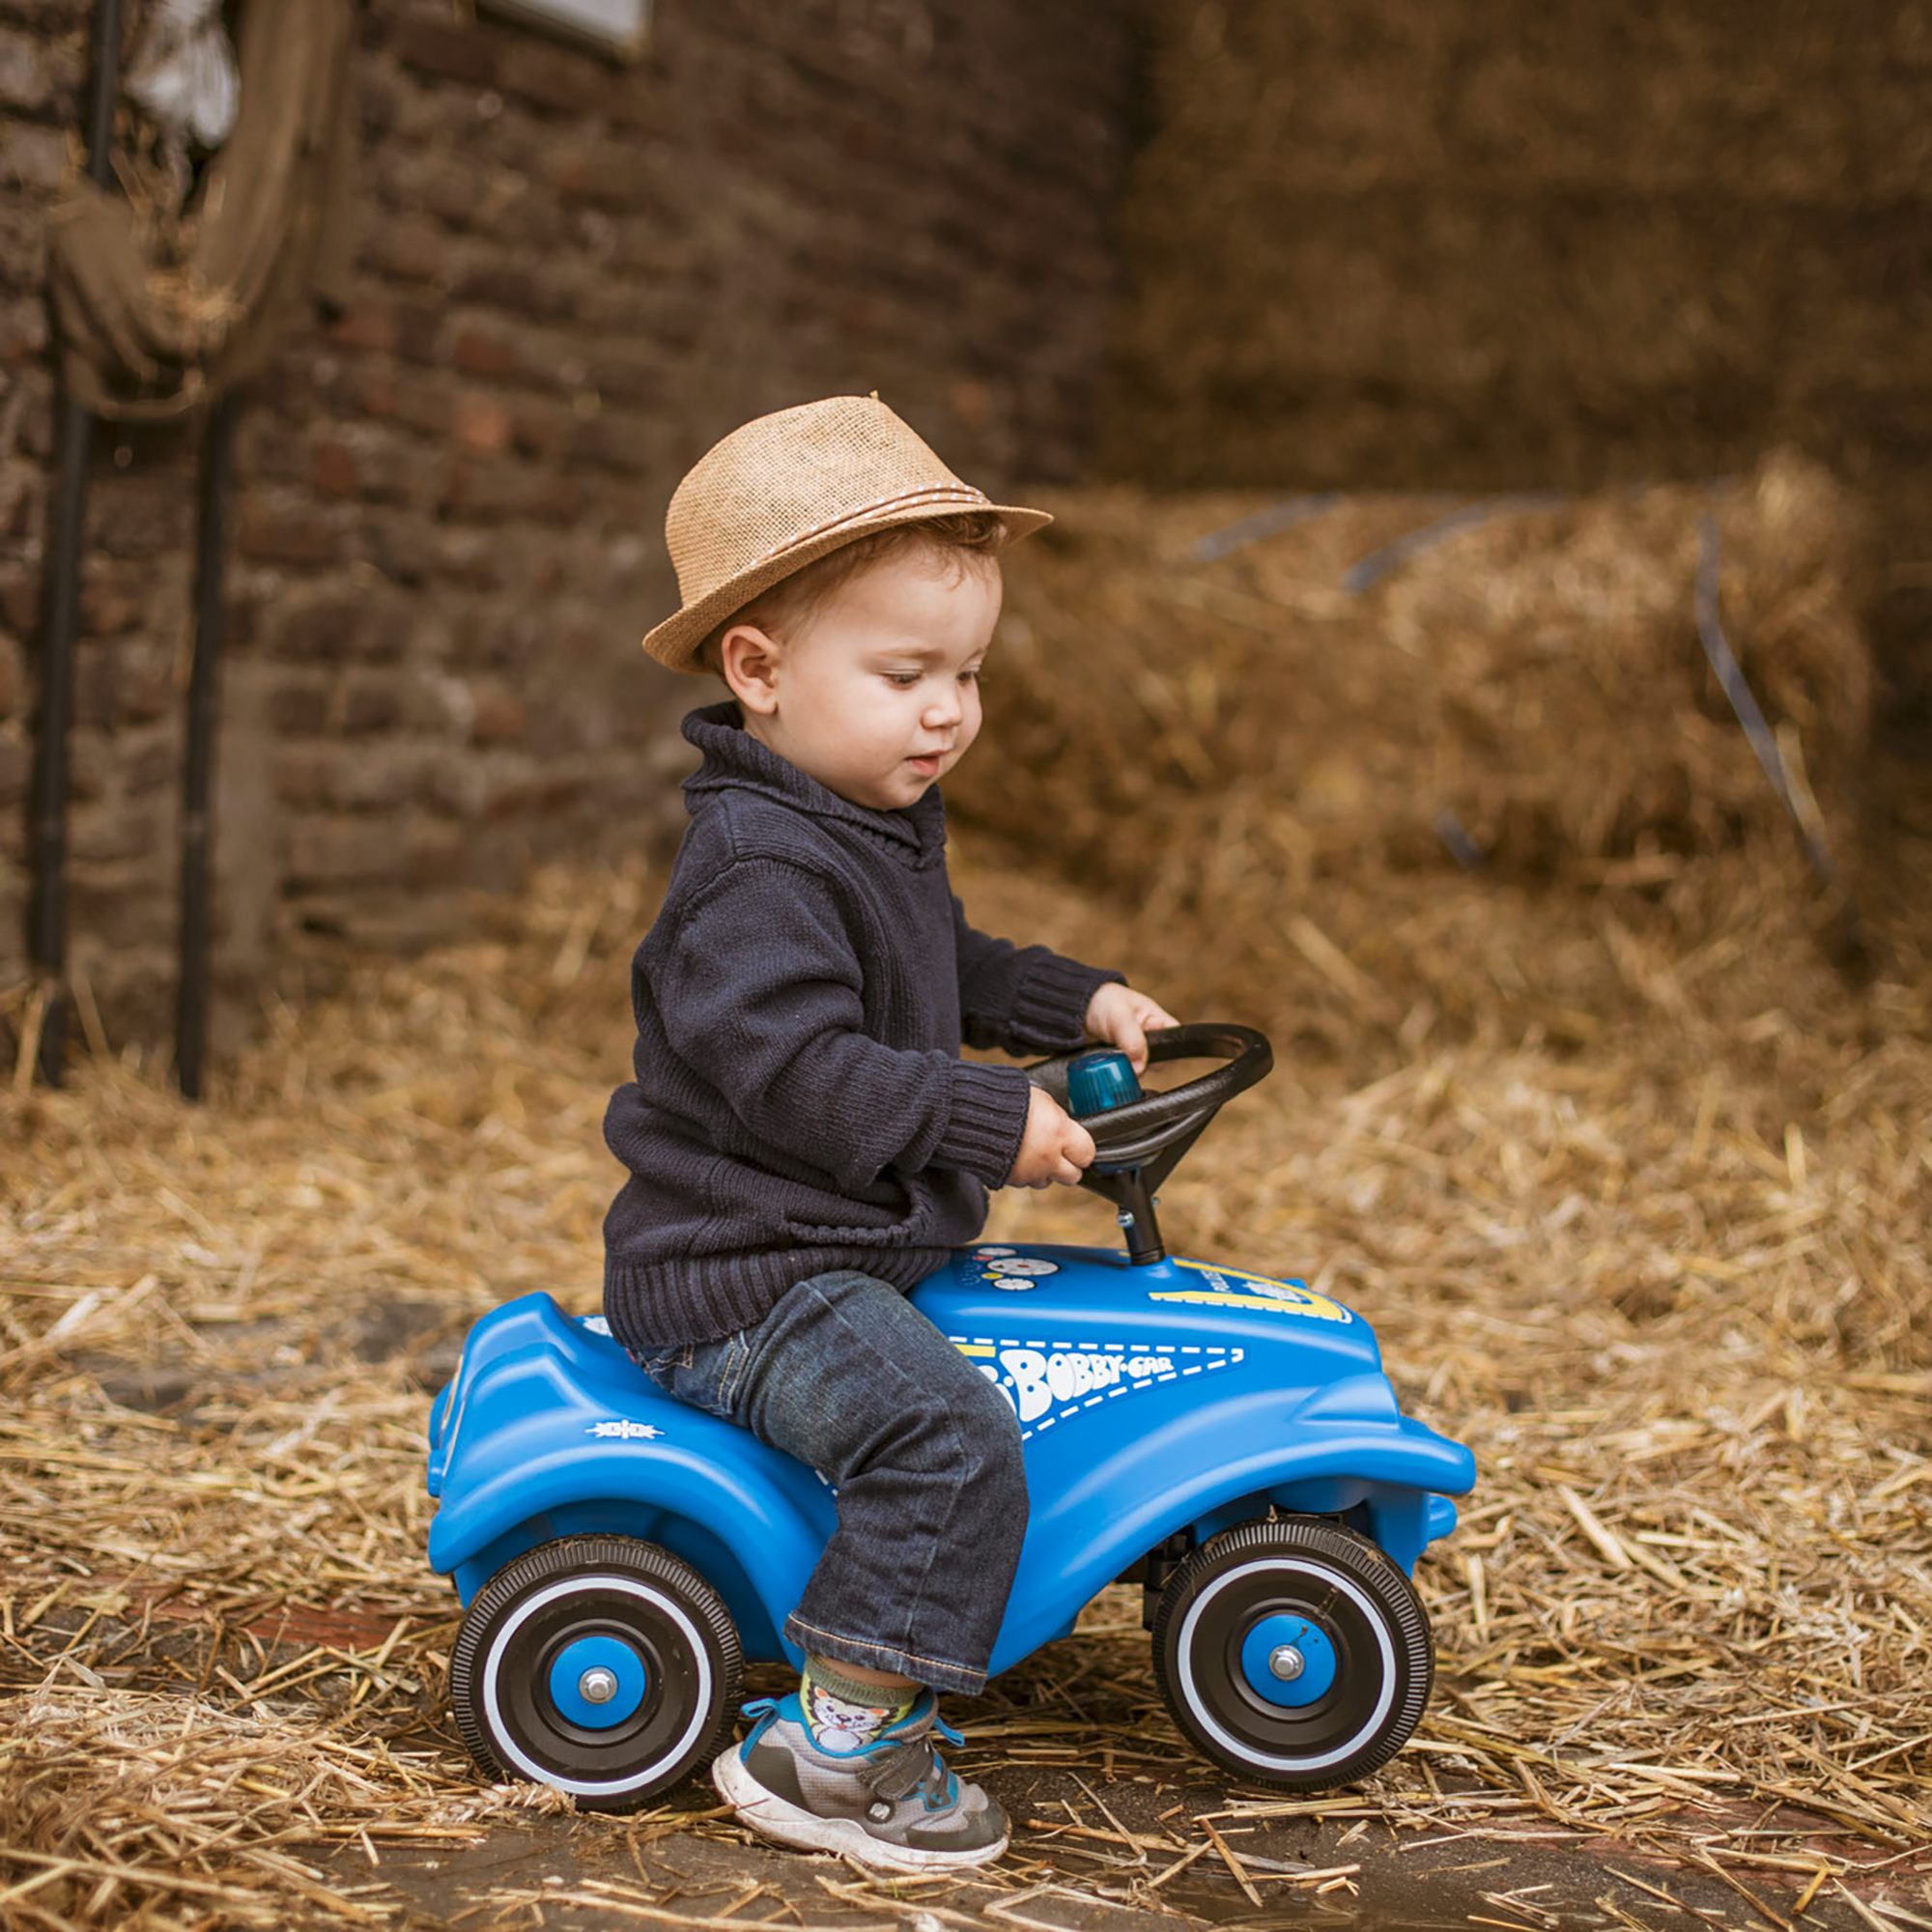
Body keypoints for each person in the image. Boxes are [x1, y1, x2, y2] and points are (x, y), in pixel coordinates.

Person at [602, 395, 1176, 1872]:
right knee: (945, 1435)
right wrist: (992, 1119)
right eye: (907, 672)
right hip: (746, 1277)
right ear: (761, 669)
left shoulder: (861, 817)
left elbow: (948, 964)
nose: (949, 712)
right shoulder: (754, 871)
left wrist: (1077, 997)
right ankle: (839, 1748)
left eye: (968, 675)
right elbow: (802, 1071)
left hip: (833, 1245)